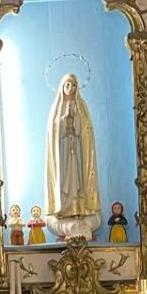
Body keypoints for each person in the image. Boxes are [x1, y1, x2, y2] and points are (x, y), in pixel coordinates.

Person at [45, 74, 101, 239]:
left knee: (78, 179)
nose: (70, 88)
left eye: (73, 85)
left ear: (77, 88)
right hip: (63, 153)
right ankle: (64, 210)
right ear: (62, 87)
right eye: (67, 85)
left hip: (77, 151)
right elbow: (53, 133)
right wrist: (64, 120)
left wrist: (76, 120)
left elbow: (86, 131)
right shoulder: (56, 108)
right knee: (66, 181)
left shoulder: (81, 106)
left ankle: (80, 209)